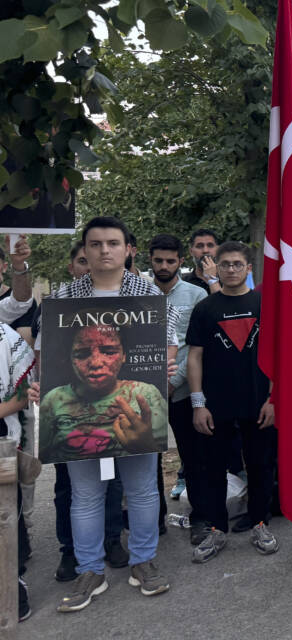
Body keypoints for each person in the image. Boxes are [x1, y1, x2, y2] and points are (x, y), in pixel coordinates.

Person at [35, 216, 177, 611]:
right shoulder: (64, 300)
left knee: (144, 490)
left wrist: (165, 365)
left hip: (135, 411)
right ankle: (90, 570)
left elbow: (168, 347)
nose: (104, 251)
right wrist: (41, 382)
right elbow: (46, 354)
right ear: (85, 249)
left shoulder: (148, 296)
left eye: (112, 243)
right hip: (76, 414)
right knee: (84, 495)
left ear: (128, 249)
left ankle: (143, 562)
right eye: (95, 244)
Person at [187, 241, 278, 562]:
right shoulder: (204, 309)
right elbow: (194, 357)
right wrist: (198, 403)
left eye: (237, 264)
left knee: (261, 466)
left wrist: (273, 397)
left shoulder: (265, 304)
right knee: (213, 468)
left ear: (249, 269)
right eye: (225, 264)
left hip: (259, 403)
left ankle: (260, 522)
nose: (231, 269)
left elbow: (276, 355)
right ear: (215, 268)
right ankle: (216, 530)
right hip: (215, 405)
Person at [48, 241, 129, 582]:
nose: (90, 264)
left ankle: (111, 539)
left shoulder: (124, 304)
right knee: (70, 486)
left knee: (111, 480)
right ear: (74, 268)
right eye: (83, 260)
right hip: (71, 415)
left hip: (110, 412)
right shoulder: (58, 307)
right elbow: (47, 355)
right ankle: (71, 551)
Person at [38, 323, 168, 462]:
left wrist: (145, 446)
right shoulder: (54, 399)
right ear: (69, 358)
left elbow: (159, 449)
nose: (96, 363)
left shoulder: (145, 393)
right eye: (82, 354)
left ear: (124, 355)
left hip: (134, 469)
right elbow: (43, 455)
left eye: (109, 352)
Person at [149, 235, 207, 522]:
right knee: (148, 461)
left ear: (180, 262)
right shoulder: (139, 295)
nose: (164, 266)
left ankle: (200, 517)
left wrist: (174, 382)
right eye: (158, 260)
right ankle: (154, 520)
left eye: (170, 261)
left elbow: (198, 347)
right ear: (150, 259)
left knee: (193, 458)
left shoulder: (197, 296)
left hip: (182, 390)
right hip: (146, 393)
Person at [1, 319, 35, 621]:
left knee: (6, 516)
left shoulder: (6, 336)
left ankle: (14, 587)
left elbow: (25, 395)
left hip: (3, 441)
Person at [184, 229, 222, 294]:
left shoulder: (231, 279)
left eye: (210, 245)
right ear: (191, 251)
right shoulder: (184, 284)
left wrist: (212, 280)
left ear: (217, 250)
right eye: (199, 246)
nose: (205, 250)